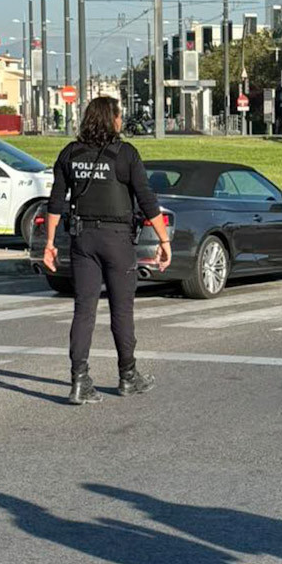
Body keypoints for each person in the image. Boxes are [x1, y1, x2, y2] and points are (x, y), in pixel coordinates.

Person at [42, 96, 171, 404]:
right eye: (119, 116)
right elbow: (146, 200)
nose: (121, 121)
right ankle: (128, 376)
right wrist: (164, 241)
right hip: (117, 240)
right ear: (112, 120)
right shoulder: (125, 154)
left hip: (83, 240)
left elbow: (56, 202)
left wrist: (48, 244)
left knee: (83, 310)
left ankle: (79, 380)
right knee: (122, 310)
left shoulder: (69, 154)